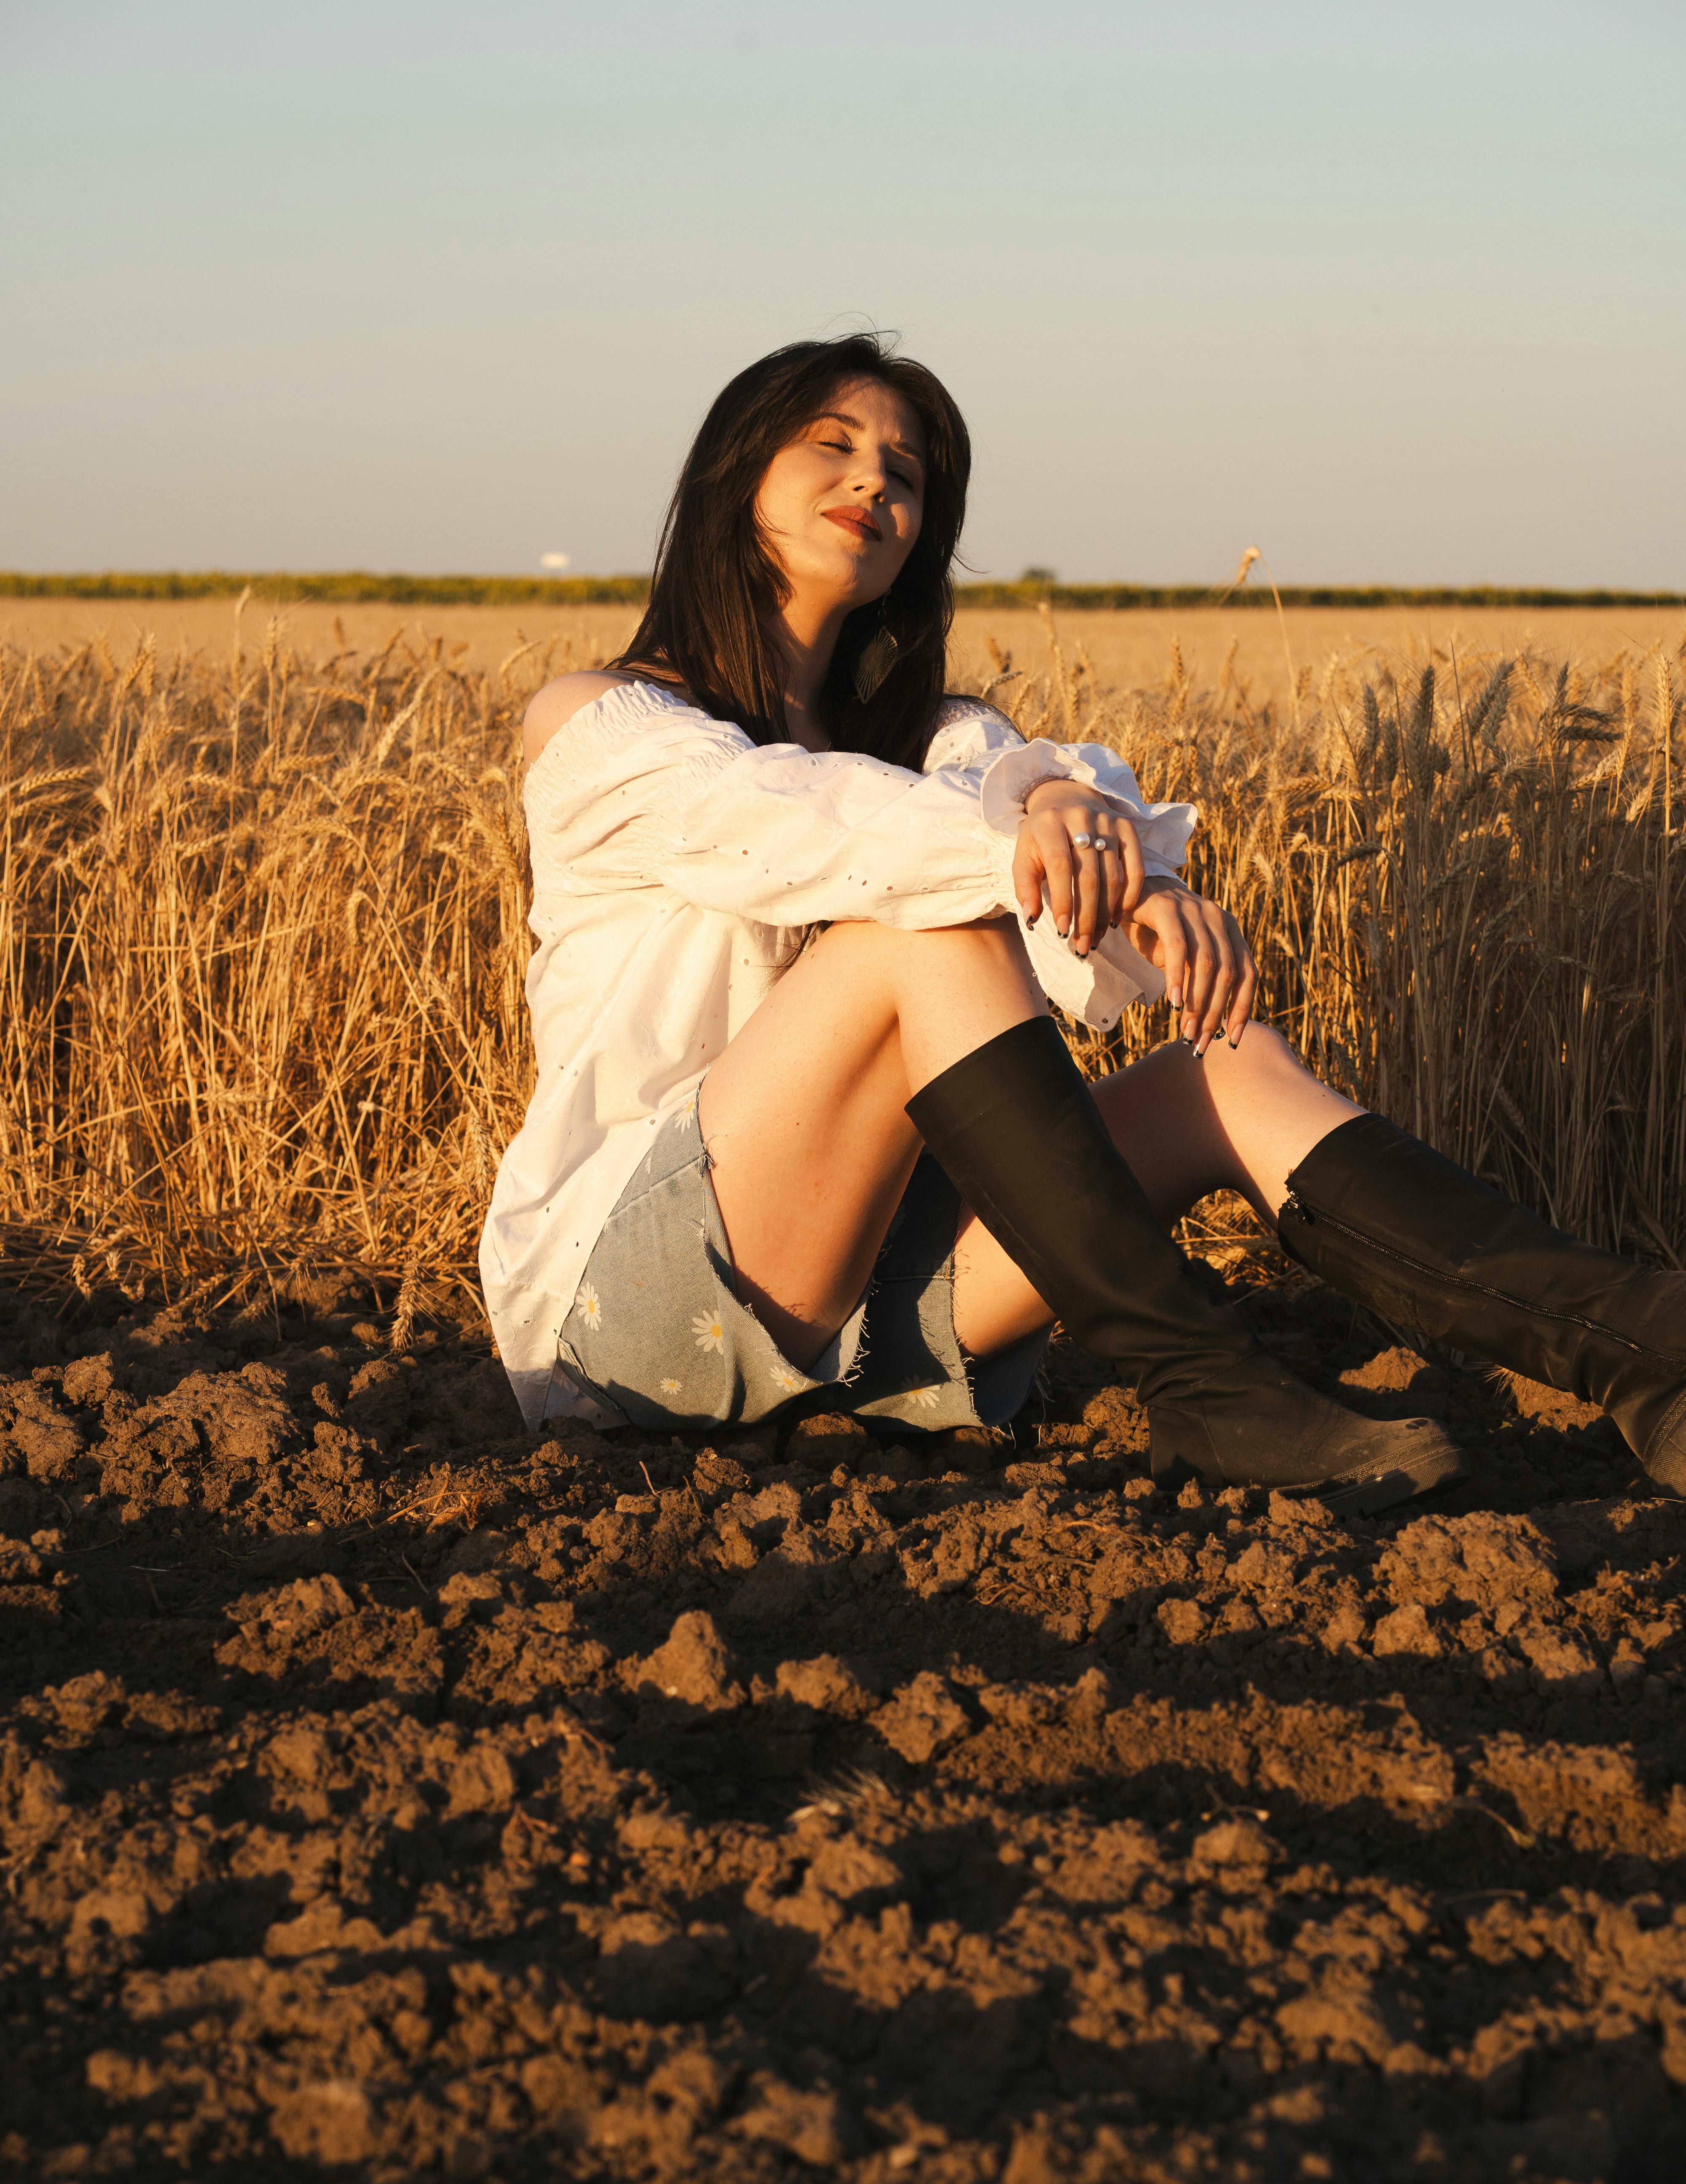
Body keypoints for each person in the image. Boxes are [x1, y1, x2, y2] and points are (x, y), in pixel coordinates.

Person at [480, 334, 1686, 1509]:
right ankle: (1205, 1385)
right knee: (919, 931)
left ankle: (1644, 1345)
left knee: (1223, 1072)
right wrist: (1054, 840)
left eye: (907, 473)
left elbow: (1046, 904)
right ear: (732, 477)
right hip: (634, 1320)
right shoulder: (602, 724)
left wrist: (1078, 823)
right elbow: (806, 826)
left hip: (867, 1321)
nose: (875, 483)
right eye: (832, 447)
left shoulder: (936, 743)